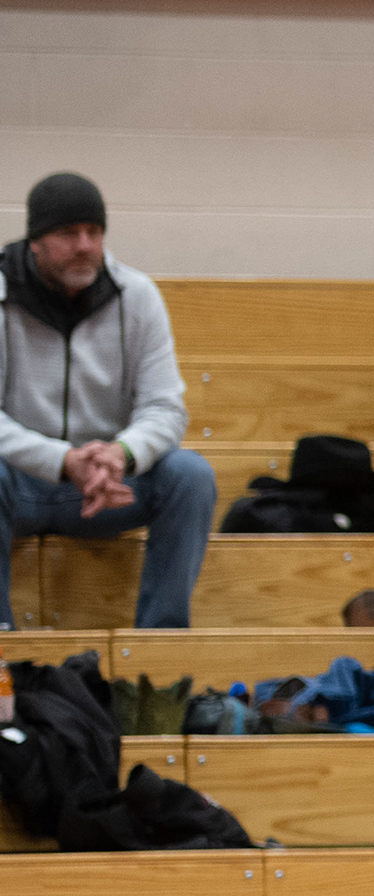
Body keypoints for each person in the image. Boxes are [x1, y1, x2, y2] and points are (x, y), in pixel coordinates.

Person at [0, 172, 214, 633]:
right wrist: (62, 461)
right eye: (68, 233)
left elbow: (166, 408)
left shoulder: (138, 296)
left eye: (94, 232)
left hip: (108, 488)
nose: (84, 245)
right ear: (35, 241)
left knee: (191, 474)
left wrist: (122, 454)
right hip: (19, 484)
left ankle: (159, 650)